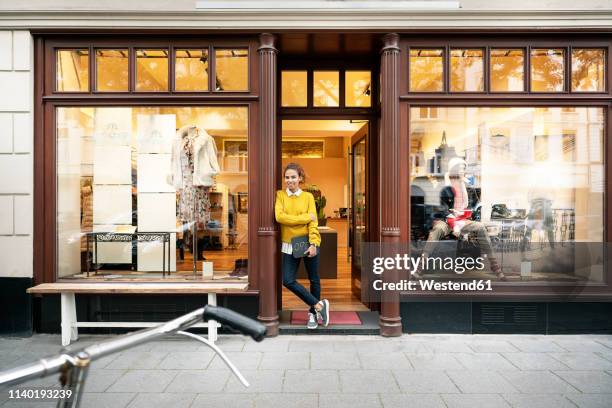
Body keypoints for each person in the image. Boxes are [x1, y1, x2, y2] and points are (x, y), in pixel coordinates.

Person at [414, 157, 507, 281]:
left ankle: (495, 267)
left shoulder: (468, 187)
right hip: (447, 220)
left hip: (462, 220)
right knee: (436, 231)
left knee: (480, 228)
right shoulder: (444, 187)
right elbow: (438, 208)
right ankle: (420, 267)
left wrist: (468, 215)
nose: (463, 171)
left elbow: (473, 206)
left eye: (464, 168)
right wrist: (451, 216)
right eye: (460, 168)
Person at [275, 163, 330, 329]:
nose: (290, 180)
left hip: (307, 242)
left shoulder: (307, 197)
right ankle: (319, 306)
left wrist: (314, 243)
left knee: (314, 279)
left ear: (300, 178)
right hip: (289, 244)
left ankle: (313, 314)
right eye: (287, 177)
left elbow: (313, 224)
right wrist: (305, 217)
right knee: (287, 280)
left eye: (293, 177)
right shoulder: (280, 195)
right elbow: (280, 217)